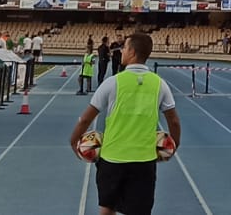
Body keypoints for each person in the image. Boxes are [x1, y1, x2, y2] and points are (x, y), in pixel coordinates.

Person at [70, 33, 182, 215]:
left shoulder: (112, 83)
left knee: (107, 208)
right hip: (144, 160)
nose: (121, 50)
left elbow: (85, 119)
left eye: (124, 47)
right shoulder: (160, 84)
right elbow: (174, 121)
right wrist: (174, 145)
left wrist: (73, 141)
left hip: (112, 159)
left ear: (132, 52)